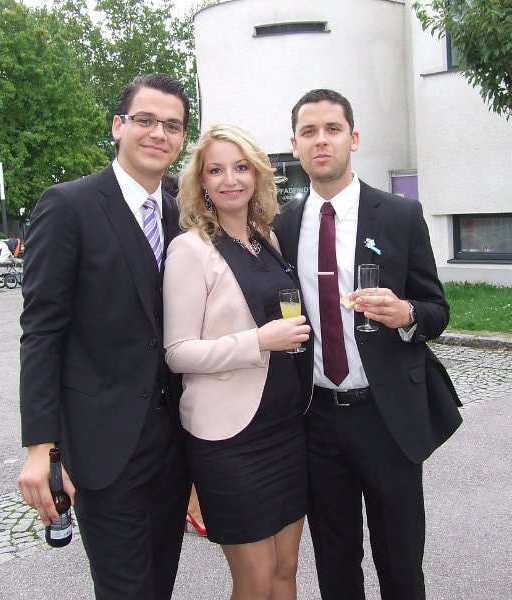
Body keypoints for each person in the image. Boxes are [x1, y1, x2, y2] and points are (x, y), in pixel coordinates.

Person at [273, 89, 463, 600]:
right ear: (295, 144)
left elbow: (437, 310)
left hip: (386, 415)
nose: (321, 141)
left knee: (401, 565)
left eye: (332, 129)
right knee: (335, 565)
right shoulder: (281, 225)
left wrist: (407, 315)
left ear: (353, 138)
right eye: (309, 132)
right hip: (315, 418)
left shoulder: (400, 215)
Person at [17, 73, 191, 600]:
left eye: (172, 125)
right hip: (104, 445)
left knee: (159, 584)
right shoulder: (68, 206)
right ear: (118, 126)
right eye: (145, 120)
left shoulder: (182, 213)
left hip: (174, 446)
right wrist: (41, 447)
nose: (158, 133)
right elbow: (41, 331)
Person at [163, 123, 312, 600]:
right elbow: (177, 352)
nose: (230, 179)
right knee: (255, 579)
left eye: (241, 167)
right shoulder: (190, 250)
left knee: (286, 569)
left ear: (257, 174)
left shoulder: (267, 239)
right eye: (216, 170)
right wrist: (258, 341)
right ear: (201, 182)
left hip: (285, 427)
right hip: (230, 440)